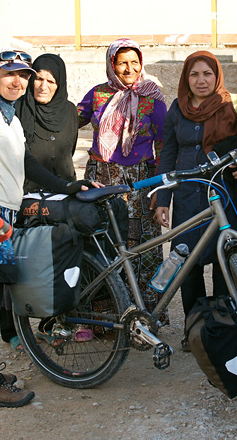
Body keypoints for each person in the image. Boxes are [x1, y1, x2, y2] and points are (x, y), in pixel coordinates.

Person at [0, 48, 92, 408]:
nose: (18, 81)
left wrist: (69, 187)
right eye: (9, 74)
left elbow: (30, 165)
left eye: (24, 75)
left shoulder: (10, 119)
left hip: (4, 214)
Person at [154, 50, 237, 350]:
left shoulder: (232, 106)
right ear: (186, 79)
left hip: (225, 196)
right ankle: (196, 329)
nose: (201, 81)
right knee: (187, 265)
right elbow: (168, 156)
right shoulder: (177, 109)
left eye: (207, 74)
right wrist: (164, 198)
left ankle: (224, 326)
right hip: (187, 198)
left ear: (217, 76)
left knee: (225, 260)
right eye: (194, 74)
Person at [77, 38, 168, 321]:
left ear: (141, 64)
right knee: (102, 242)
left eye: (134, 62)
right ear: (111, 64)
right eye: (122, 62)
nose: (129, 69)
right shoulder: (98, 95)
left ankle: (147, 312)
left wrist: (160, 187)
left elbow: (164, 145)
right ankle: (103, 315)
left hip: (140, 181)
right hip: (102, 178)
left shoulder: (153, 97)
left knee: (143, 244)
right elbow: (70, 121)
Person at [0, 53, 80, 351]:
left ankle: (50, 324)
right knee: (18, 262)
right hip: (22, 197)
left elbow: (68, 151)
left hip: (59, 195)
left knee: (56, 260)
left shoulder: (69, 112)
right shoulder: (17, 110)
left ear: (60, 85)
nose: (43, 86)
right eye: (39, 79)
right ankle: (11, 329)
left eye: (51, 81)